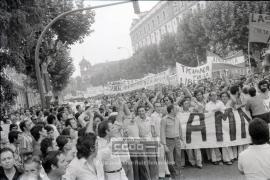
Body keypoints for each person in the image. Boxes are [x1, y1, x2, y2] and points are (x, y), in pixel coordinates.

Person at [160, 104, 183, 179]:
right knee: (170, 159)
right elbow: (162, 132)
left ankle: (178, 174)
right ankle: (173, 175)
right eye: (176, 109)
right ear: (172, 110)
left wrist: (182, 140)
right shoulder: (164, 119)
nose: (177, 110)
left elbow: (180, 129)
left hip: (177, 140)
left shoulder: (177, 118)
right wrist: (164, 144)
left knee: (178, 157)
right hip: (169, 141)